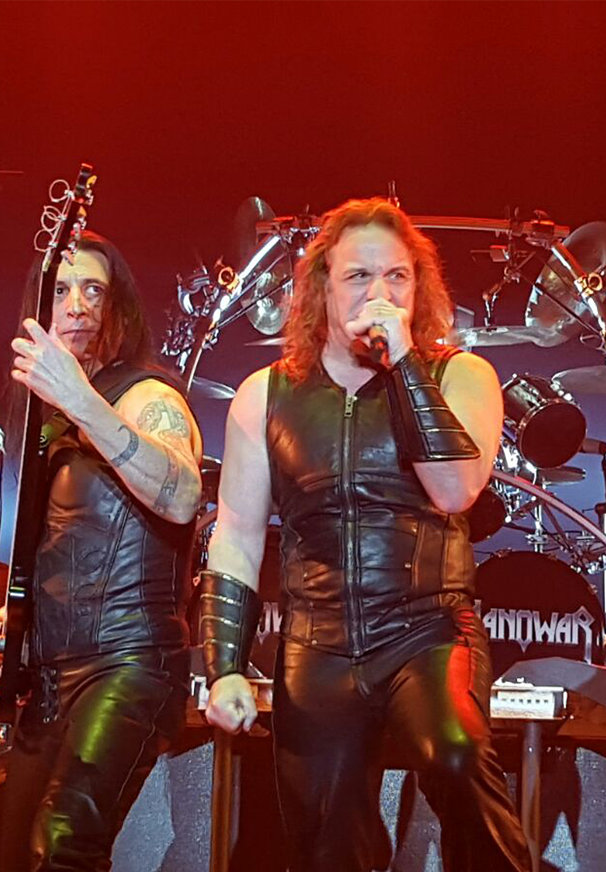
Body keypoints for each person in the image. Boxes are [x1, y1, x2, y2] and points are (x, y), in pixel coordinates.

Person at [200, 197, 531, 871]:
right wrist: (223, 666)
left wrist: (403, 360)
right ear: (322, 286)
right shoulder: (266, 395)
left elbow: (455, 490)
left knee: (456, 756)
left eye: (397, 277)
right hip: (318, 641)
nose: (380, 293)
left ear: (418, 287)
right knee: (325, 840)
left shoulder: (460, 375)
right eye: (359, 276)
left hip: (427, 629)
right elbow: (236, 534)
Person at [0, 231, 203, 871]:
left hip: (128, 660)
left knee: (64, 843)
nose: (78, 306)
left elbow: (182, 496)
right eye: (61, 290)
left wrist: (83, 402)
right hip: (53, 674)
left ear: (120, 307)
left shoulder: (147, 395)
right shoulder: (41, 420)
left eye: (94, 289)